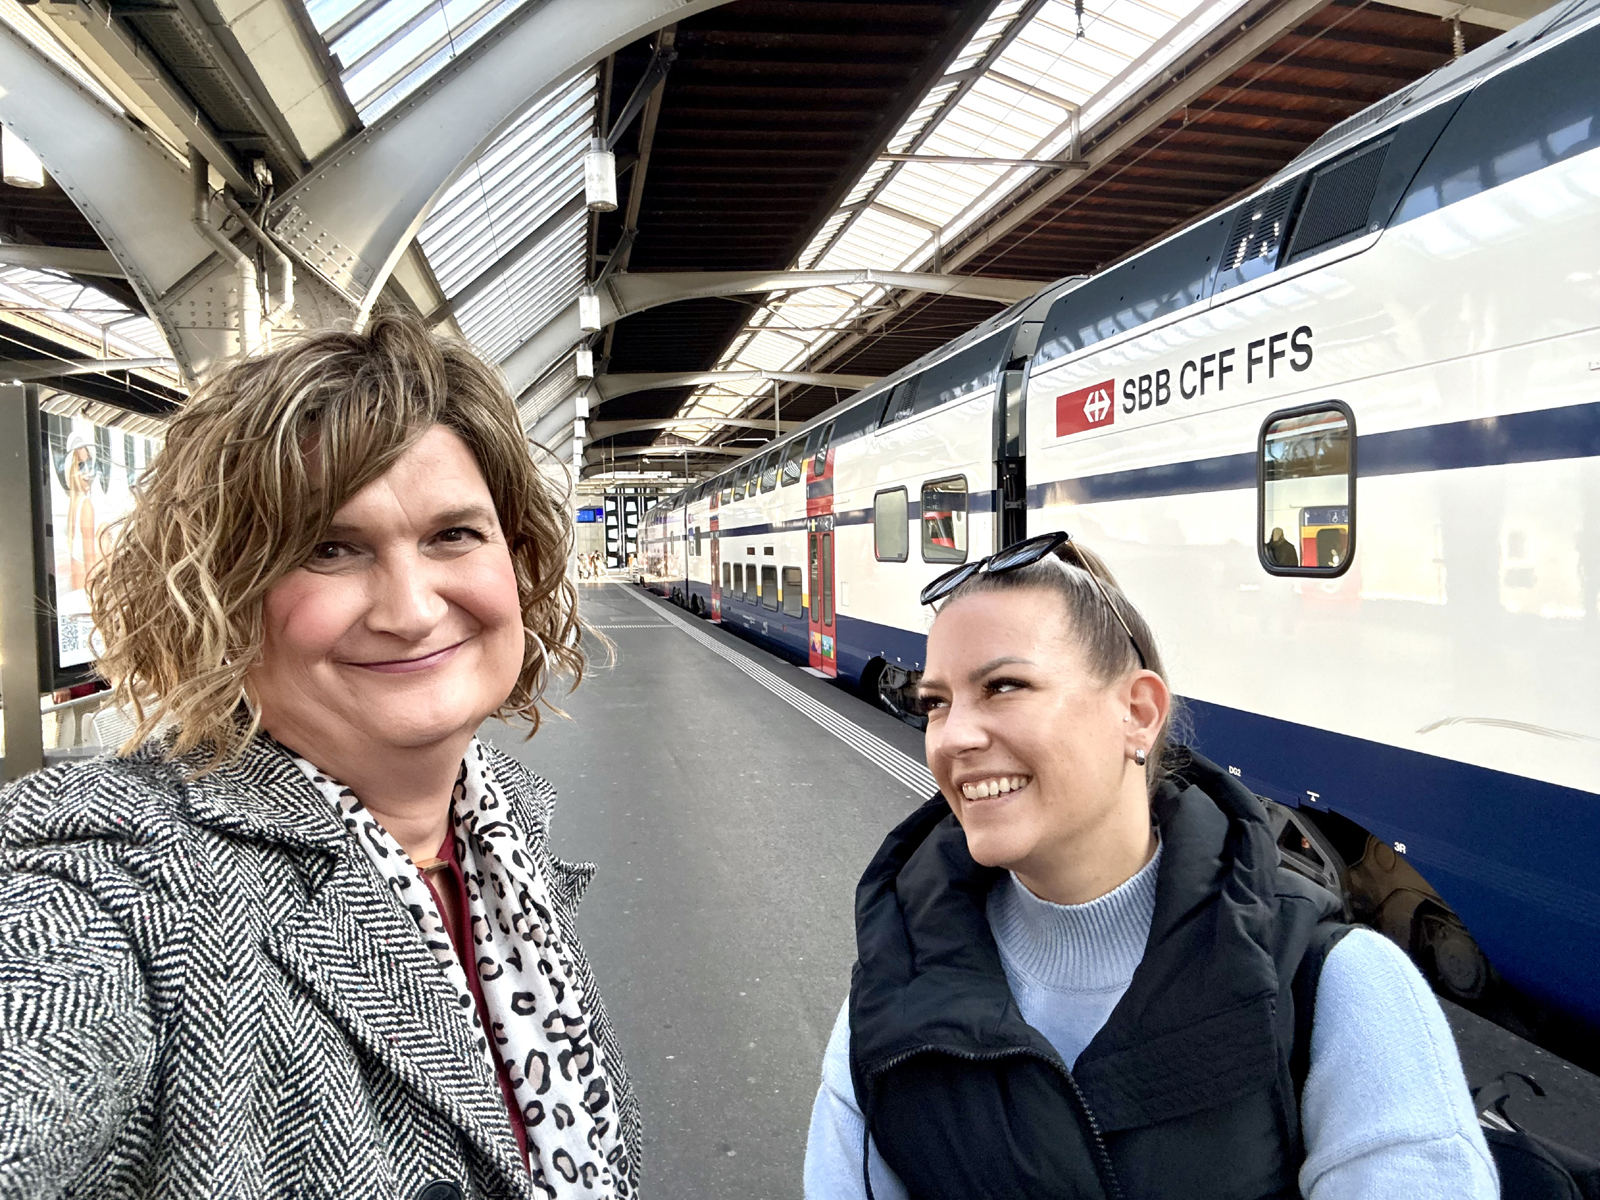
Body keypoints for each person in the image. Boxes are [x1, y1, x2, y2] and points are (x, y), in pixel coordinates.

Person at [0, 314, 639, 1199]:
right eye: (330, 549)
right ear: (223, 595)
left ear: (518, 560)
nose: (412, 611)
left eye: (453, 535)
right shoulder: (116, 887)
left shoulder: (500, 837)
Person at [804, 530, 1497, 1200]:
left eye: (1005, 686)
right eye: (936, 703)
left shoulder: (1337, 988)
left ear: (1137, 712)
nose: (952, 737)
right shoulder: (892, 982)